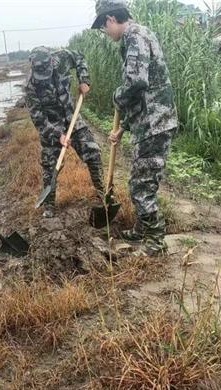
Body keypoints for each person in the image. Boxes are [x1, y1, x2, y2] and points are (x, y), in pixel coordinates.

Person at [91, 0, 179, 256]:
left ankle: (155, 242)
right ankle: (141, 229)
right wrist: (124, 127)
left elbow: (137, 82)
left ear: (110, 20)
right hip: (149, 122)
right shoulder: (139, 35)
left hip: (155, 124)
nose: (106, 34)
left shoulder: (135, 37)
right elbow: (145, 93)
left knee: (141, 186)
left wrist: (118, 95)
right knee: (140, 179)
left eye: (104, 28)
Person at [25, 46, 104, 218]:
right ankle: (50, 206)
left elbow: (80, 56)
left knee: (93, 152)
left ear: (51, 62)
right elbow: (38, 119)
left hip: (72, 118)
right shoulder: (31, 87)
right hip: (52, 126)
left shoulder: (62, 58)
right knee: (49, 167)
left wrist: (84, 80)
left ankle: (103, 194)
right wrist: (57, 135)